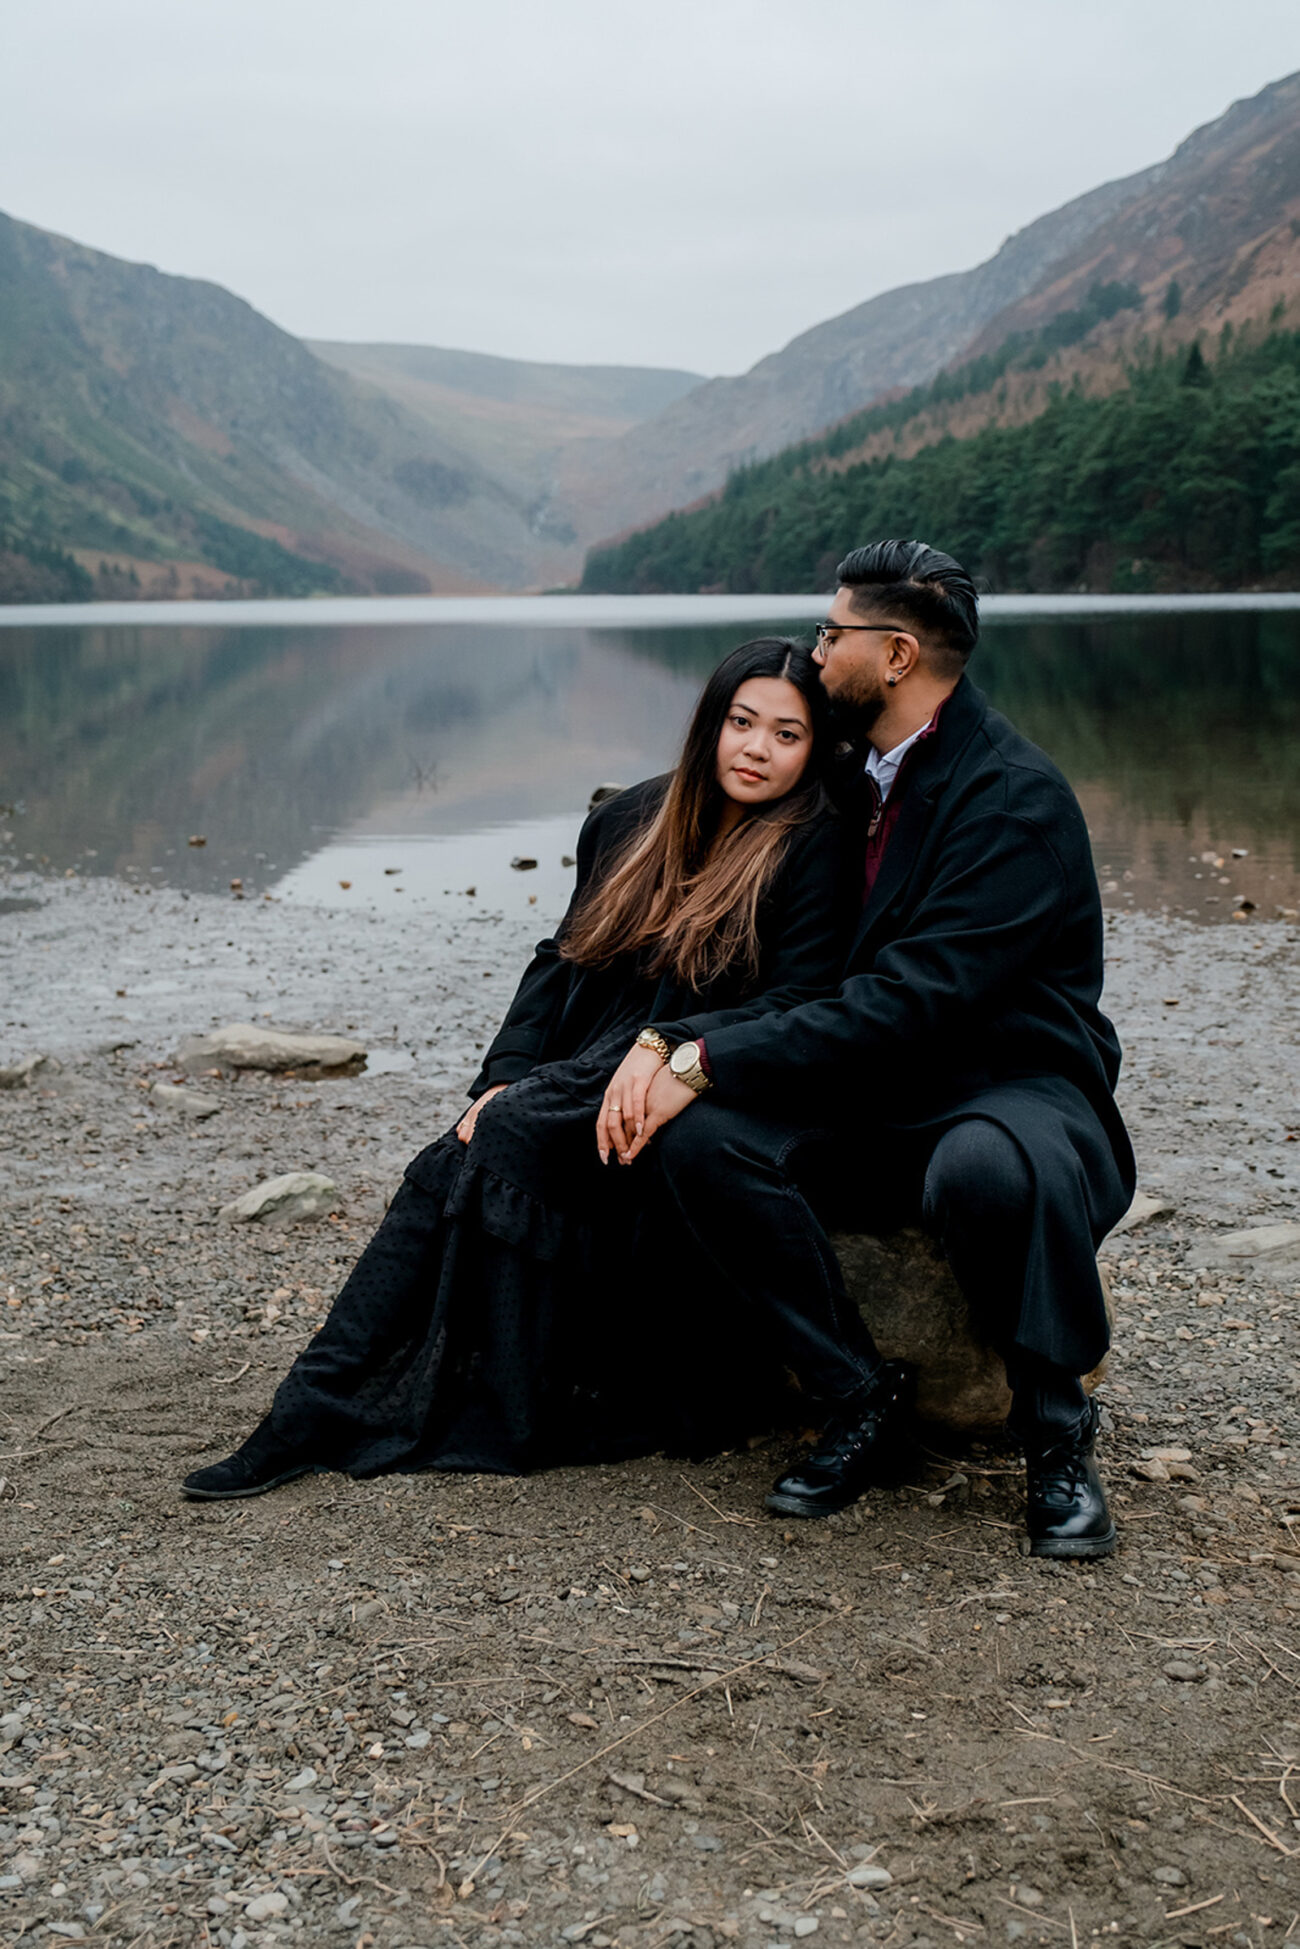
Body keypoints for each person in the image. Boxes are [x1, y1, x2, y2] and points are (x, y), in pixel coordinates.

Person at [182, 637, 854, 1499]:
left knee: (483, 1148)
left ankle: (337, 1410)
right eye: (742, 722)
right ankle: (304, 1410)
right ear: (709, 724)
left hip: (689, 1074)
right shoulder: (630, 820)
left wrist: (676, 1052)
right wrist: (504, 1071)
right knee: (462, 1146)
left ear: (814, 749)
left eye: (787, 734)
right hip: (586, 1059)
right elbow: (560, 960)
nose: (757, 748)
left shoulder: (812, 845)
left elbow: (797, 998)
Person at [617, 540, 1136, 1559]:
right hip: (872, 1088)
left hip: (1006, 1079)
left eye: (830, 634)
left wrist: (699, 1051)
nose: (815, 653)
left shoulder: (1012, 801)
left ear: (895, 654)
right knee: (697, 1142)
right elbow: (726, 811)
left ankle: (1054, 1428)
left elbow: (906, 1005)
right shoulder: (853, 770)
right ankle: (858, 1391)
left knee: (990, 1168)